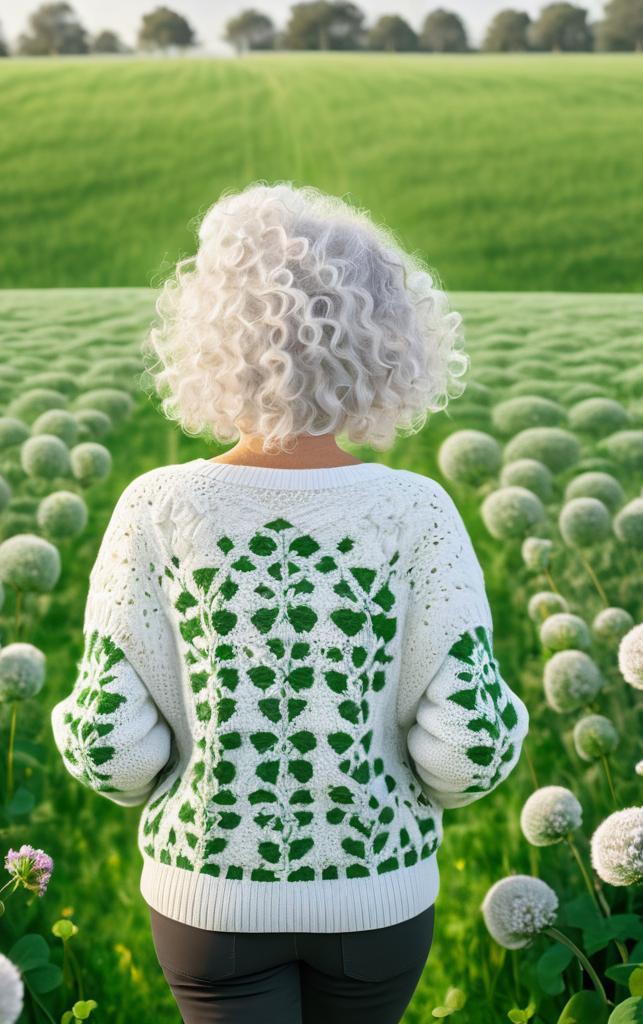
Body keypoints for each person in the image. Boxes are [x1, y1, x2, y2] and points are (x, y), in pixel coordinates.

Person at [51, 183, 530, 1024]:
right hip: (377, 898)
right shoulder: (416, 513)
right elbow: (472, 748)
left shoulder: (158, 508)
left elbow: (107, 748)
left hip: (209, 902)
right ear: (384, 340)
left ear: (209, 338)